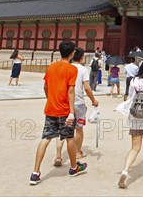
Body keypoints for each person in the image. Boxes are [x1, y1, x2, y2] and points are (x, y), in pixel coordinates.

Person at [29, 41, 87, 186]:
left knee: (46, 138)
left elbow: (45, 86)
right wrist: (72, 112)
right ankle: (74, 168)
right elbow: (71, 90)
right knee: (69, 137)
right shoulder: (71, 69)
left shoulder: (51, 67)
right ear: (72, 53)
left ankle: (35, 172)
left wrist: (50, 99)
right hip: (65, 110)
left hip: (50, 108)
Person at [54, 47, 99, 165]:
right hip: (78, 102)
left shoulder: (65, 67)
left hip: (64, 102)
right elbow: (87, 88)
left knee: (62, 129)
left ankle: (58, 155)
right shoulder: (83, 69)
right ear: (82, 57)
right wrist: (93, 100)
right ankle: (78, 152)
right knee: (79, 128)